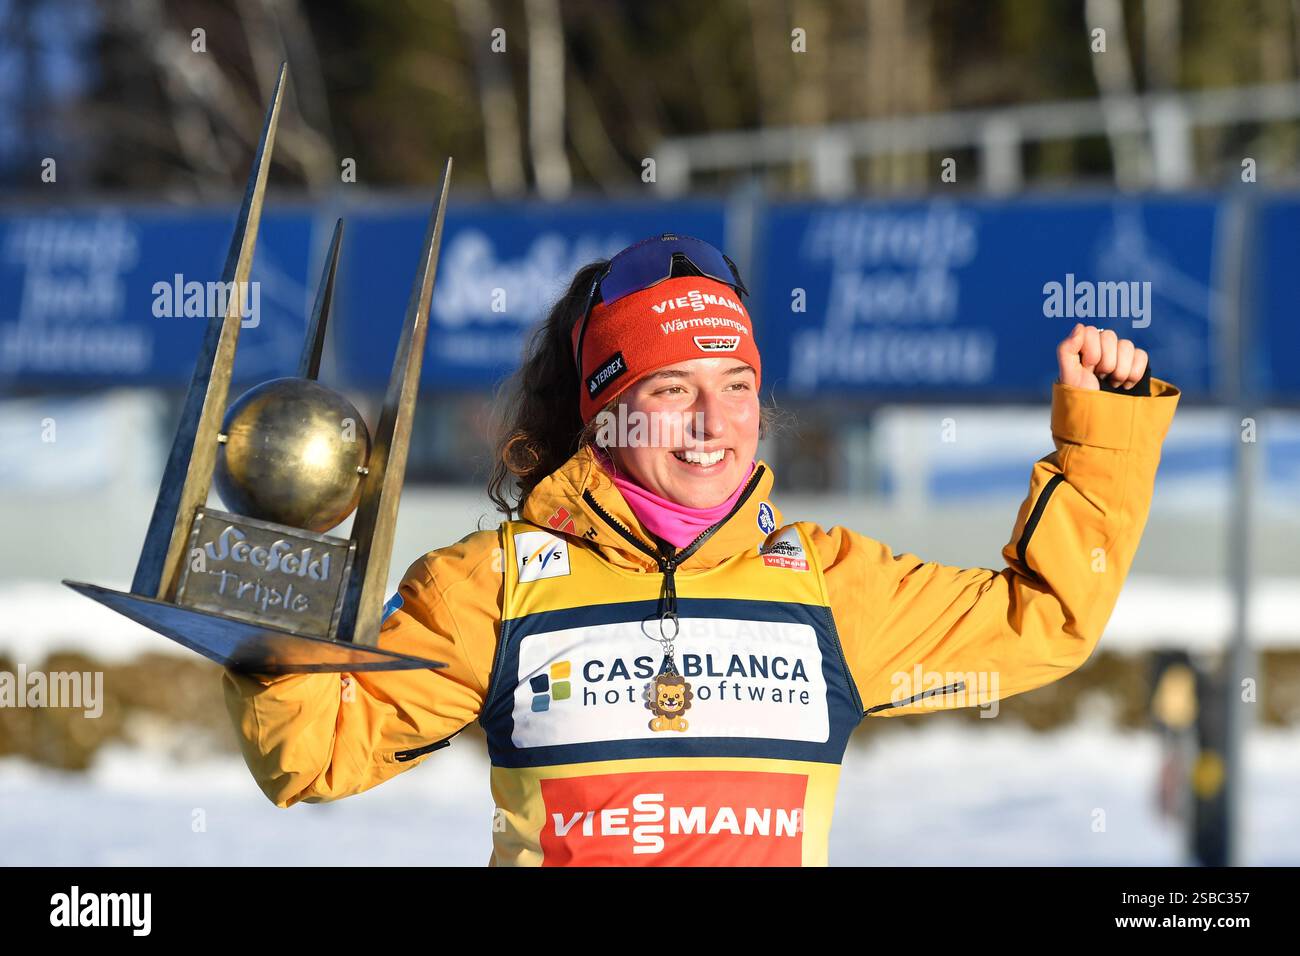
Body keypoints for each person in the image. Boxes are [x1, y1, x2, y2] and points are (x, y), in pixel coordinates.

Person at [223, 233, 1181, 866]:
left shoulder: (834, 590)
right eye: (670, 389)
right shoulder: (494, 587)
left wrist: (1101, 438)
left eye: (735, 384)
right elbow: (313, 754)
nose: (712, 422)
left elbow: (1043, 622)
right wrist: (276, 562)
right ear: (603, 409)